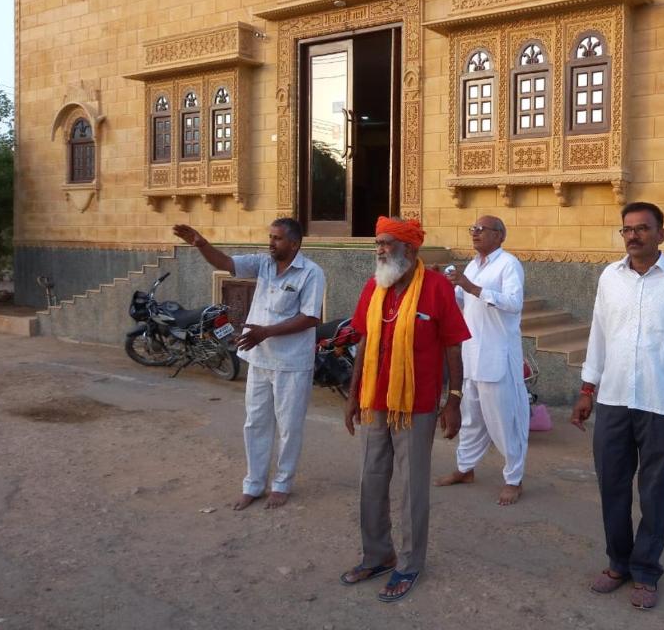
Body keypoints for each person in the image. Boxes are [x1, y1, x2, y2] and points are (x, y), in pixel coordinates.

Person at [570, 202, 664, 611]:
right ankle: (618, 563)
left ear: (661, 234)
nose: (634, 235)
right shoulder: (609, 278)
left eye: (643, 229)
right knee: (611, 485)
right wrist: (586, 389)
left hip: (660, 401)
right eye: (627, 229)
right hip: (612, 398)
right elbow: (599, 334)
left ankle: (646, 570)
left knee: (653, 490)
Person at [341, 216, 470, 602]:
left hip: (417, 405)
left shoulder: (436, 289)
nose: (379, 250)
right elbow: (364, 342)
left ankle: (410, 563)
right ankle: (378, 554)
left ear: (410, 250)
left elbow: (453, 346)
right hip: (373, 401)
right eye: (377, 243)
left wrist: (455, 400)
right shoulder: (374, 286)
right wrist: (352, 396)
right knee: (371, 479)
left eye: (387, 243)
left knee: (413, 486)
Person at [173, 219, 324, 511]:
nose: (271, 243)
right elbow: (228, 263)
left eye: (277, 238)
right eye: (270, 237)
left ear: (294, 244)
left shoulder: (312, 273)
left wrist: (265, 332)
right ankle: (254, 484)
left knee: (289, 427)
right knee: (255, 423)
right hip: (259, 360)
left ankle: (282, 484)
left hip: (291, 364)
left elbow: (310, 318)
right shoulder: (263, 264)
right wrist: (201, 244)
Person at [435, 215, 529, 506]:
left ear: (499, 236)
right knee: (471, 417)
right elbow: (464, 305)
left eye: (481, 229)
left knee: (504, 421)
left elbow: (513, 303)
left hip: (498, 355)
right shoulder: (474, 265)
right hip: (471, 354)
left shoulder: (508, 264)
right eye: (472, 229)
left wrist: (471, 286)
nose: (475, 233)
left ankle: (514, 479)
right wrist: (448, 285)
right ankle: (465, 469)